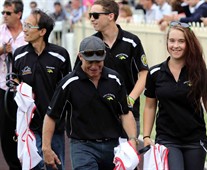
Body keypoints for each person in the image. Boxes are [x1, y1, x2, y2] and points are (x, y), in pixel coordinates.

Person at [42, 36, 138, 170]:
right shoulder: (68, 84)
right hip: (82, 147)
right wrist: (46, 148)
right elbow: (51, 116)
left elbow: (125, 113)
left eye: (98, 62)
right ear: (80, 57)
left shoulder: (115, 79)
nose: (94, 66)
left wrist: (132, 140)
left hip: (113, 146)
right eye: (90, 62)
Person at [142, 21, 207, 170]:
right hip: (167, 138)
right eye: (172, 40)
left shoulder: (199, 73)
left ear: (189, 44)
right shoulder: (155, 73)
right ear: (167, 42)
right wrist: (147, 136)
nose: (176, 45)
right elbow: (150, 106)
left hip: (195, 140)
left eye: (181, 41)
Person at [13, 8, 72, 170]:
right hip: (30, 125)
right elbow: (14, 80)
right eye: (24, 25)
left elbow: (68, 88)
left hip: (55, 124)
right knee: (33, 167)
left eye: (28, 26)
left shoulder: (60, 55)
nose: (24, 29)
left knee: (55, 166)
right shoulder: (18, 55)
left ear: (42, 31)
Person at [87, 0, 149, 137]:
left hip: (128, 113)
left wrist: (131, 99)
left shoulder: (132, 42)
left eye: (96, 15)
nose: (92, 19)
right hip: (99, 114)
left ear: (110, 16)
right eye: (90, 15)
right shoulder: (91, 44)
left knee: (128, 156)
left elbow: (144, 73)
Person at [0, 0, 27, 169]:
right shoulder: (0, 31)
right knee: (6, 130)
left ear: (19, 14)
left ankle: (29, 162)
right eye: (3, 13)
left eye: (8, 13)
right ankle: (13, 166)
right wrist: (3, 50)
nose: (4, 16)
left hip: (25, 89)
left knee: (27, 128)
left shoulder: (30, 30)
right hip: (3, 88)